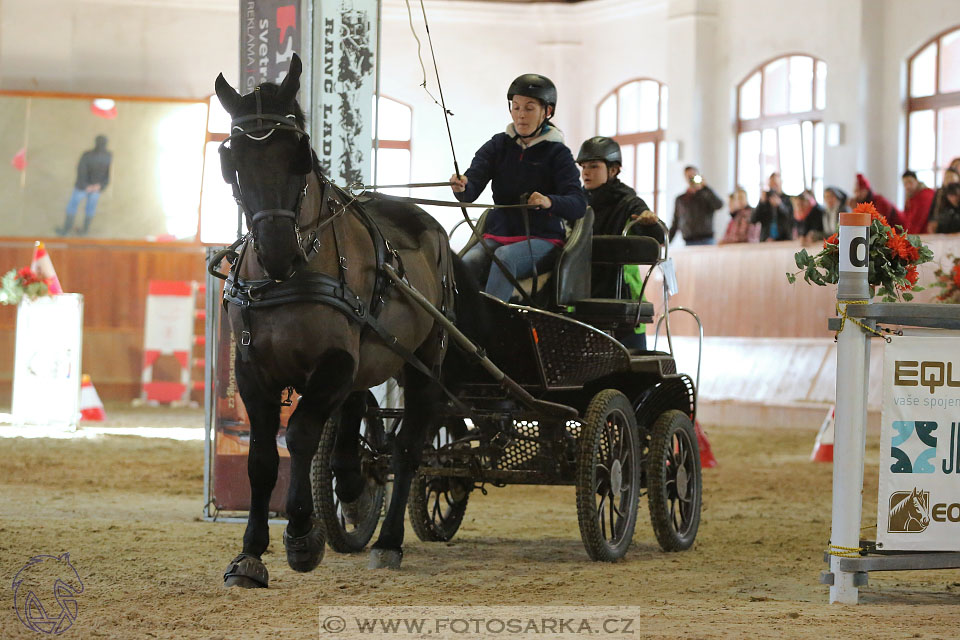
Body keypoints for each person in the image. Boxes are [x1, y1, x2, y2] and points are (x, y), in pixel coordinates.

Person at [451, 74, 586, 302]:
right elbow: (471, 189)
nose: (521, 114)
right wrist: (462, 185)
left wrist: (549, 202)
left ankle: (490, 327)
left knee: (506, 258)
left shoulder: (558, 153)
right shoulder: (497, 145)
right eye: (516, 107)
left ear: (547, 112)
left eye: (529, 108)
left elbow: (578, 204)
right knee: (467, 263)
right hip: (498, 235)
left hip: (543, 240)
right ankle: (458, 325)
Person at [576, 136, 663, 350]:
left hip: (620, 290)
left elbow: (657, 237)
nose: (586, 173)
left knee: (630, 361)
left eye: (594, 166)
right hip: (581, 287)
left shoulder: (629, 201)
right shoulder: (577, 200)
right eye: (583, 167)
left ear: (613, 170)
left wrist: (650, 222)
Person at [57, 135, 112, 236]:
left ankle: (66, 230)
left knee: (73, 206)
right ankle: (84, 231)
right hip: (96, 188)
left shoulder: (87, 155)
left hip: (83, 187)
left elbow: (81, 171)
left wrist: (86, 185)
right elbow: (107, 174)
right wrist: (100, 186)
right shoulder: (108, 155)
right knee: (90, 209)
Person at [669, 166, 722, 245]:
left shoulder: (706, 195)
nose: (691, 179)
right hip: (689, 241)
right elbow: (676, 222)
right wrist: (667, 241)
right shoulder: (681, 199)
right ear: (685, 178)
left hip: (707, 240)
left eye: (694, 175)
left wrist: (705, 187)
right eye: (689, 176)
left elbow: (719, 205)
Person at [752, 172, 793, 241]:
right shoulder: (765, 200)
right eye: (772, 184)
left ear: (781, 183)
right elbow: (753, 220)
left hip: (784, 240)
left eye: (776, 184)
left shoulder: (787, 199)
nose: (774, 186)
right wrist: (761, 203)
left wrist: (780, 205)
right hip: (766, 240)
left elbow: (791, 218)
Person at [901, 170, 935, 234]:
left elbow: (917, 222)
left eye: (910, 182)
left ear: (917, 181)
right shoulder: (911, 197)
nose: (908, 186)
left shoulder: (925, 195)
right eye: (905, 184)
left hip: (925, 236)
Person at [926, 168, 960, 233]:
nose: (949, 180)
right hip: (941, 228)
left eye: (952, 177)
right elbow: (933, 211)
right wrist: (931, 222)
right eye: (947, 177)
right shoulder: (939, 193)